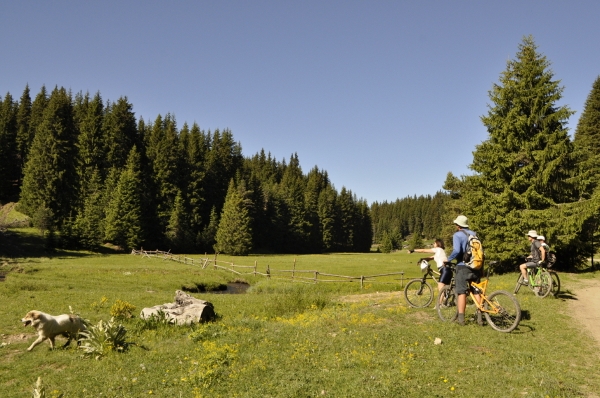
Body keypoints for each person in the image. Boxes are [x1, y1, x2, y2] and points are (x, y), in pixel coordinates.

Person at [446, 215, 481, 326]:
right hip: (475, 266)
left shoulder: (457, 235)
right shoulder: (474, 234)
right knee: (476, 291)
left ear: (458, 225)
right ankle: (480, 317)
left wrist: (448, 260)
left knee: (461, 292)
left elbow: (457, 250)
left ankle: (461, 319)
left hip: (463, 266)